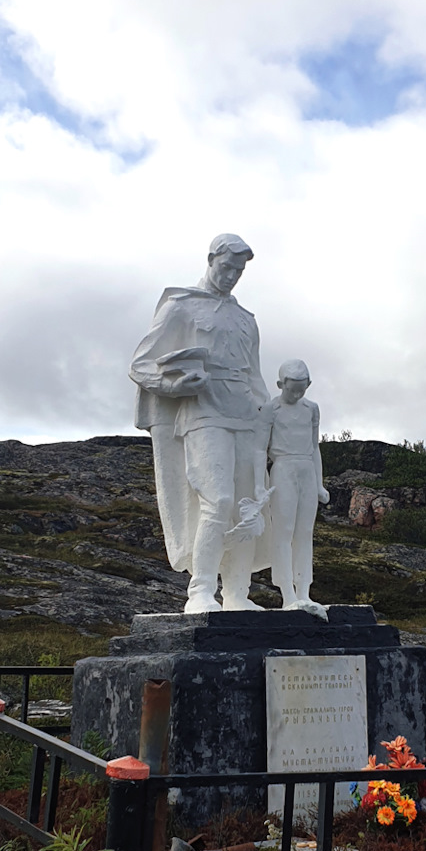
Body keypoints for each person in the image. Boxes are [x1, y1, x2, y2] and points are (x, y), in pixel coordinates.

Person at [129, 234, 273, 613]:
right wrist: (173, 384)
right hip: (202, 413)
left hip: (243, 414)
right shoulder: (181, 306)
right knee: (218, 499)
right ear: (210, 259)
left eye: (238, 272)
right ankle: (202, 590)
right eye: (226, 268)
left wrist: (272, 417)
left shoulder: (246, 319)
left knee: (246, 506)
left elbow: (254, 375)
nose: (231, 276)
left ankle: (238, 593)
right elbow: (141, 364)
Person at [264, 359, 328, 615]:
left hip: (306, 471)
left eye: (302, 389)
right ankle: (287, 593)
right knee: (284, 531)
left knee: (304, 532)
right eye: (292, 389)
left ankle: (303, 591)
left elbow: (314, 447)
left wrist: (320, 483)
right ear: (281, 385)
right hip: (282, 468)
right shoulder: (271, 409)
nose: (297, 394)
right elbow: (260, 449)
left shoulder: (312, 409)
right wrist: (261, 483)